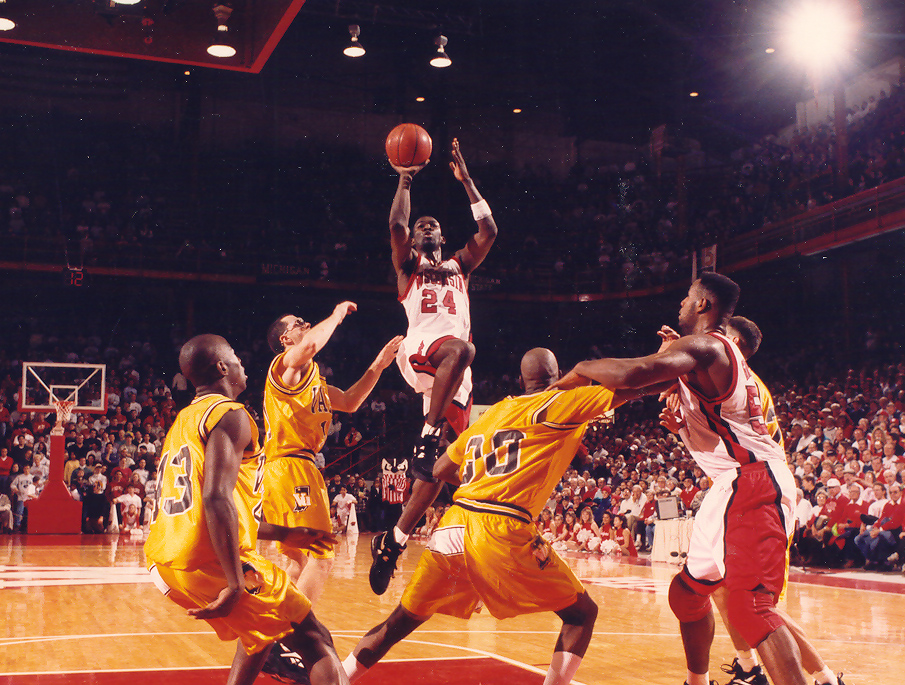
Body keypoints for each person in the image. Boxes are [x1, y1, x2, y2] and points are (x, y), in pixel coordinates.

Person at [554, 273, 807, 685]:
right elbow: (674, 385)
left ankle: (810, 676)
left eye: (688, 298)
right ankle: (697, 681)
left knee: (751, 609)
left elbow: (637, 374)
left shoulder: (708, 346)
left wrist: (582, 369)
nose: (681, 305)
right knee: (687, 596)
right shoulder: (706, 356)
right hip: (732, 486)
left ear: (704, 304)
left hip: (755, 482)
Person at [343, 348, 636, 685]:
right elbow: (632, 383)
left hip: (453, 524)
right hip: (500, 526)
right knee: (581, 614)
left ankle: (339, 677)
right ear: (555, 376)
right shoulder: (559, 402)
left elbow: (440, 468)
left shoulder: (496, 411)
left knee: (398, 623)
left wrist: (487, 479)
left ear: (524, 378)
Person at [144, 334, 348, 685]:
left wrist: (283, 533)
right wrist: (236, 582)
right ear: (222, 367)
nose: (242, 362)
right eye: (235, 356)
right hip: (209, 561)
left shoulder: (185, 420)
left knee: (261, 634)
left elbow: (219, 506)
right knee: (315, 640)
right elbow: (214, 499)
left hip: (165, 560)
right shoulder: (231, 415)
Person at [370, 137, 498, 595]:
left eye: (433, 225)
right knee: (464, 349)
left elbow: (489, 234)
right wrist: (405, 180)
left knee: (445, 467)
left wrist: (467, 182)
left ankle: (394, 540)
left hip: (451, 379)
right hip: (422, 349)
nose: (425, 228)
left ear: (443, 237)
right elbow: (396, 224)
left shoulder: (461, 266)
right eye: (422, 225)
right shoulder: (408, 266)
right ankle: (426, 435)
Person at [261, 306, 401, 681]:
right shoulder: (285, 367)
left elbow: (352, 401)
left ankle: (267, 635)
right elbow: (307, 348)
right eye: (296, 325)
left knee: (296, 562)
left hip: (290, 469)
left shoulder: (314, 384)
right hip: (292, 467)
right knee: (322, 555)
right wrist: (337, 315)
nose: (303, 325)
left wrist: (379, 365)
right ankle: (289, 641)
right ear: (285, 339)